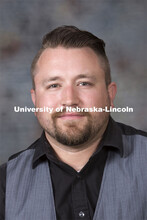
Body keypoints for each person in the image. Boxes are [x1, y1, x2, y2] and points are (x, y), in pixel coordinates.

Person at [0, 26, 147, 220]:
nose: (69, 100)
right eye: (54, 85)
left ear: (110, 95)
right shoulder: (5, 184)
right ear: (35, 101)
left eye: (83, 83)